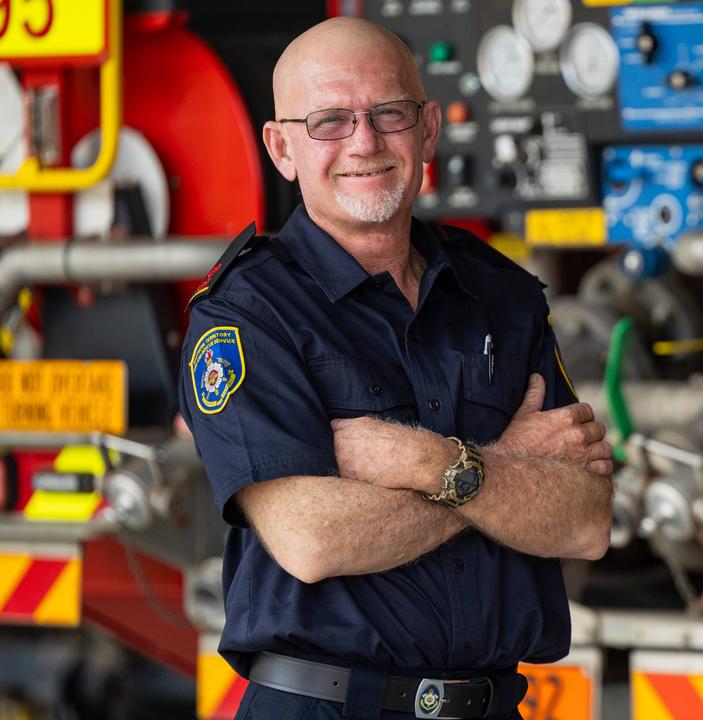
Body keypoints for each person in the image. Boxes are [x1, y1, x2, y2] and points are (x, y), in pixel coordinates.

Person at [178, 16, 614, 720]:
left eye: (389, 113)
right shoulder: (246, 316)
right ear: (281, 147)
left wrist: (418, 459)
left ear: (430, 129)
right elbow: (313, 539)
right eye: (329, 121)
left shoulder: (502, 296)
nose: (364, 142)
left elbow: (586, 521)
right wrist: (506, 471)